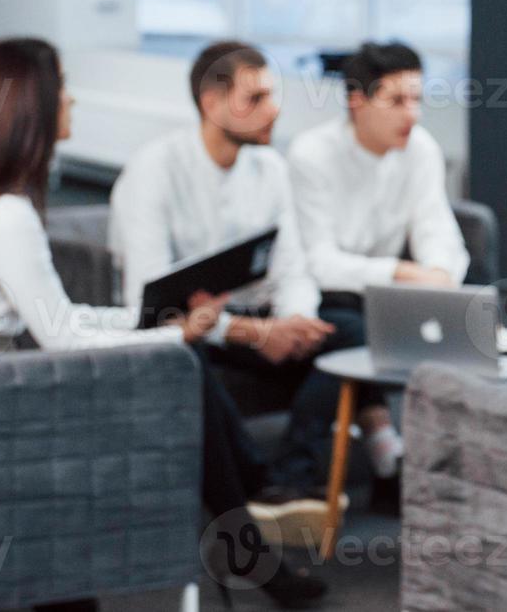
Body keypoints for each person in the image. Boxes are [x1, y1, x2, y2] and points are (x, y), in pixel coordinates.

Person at [0, 38, 326, 609]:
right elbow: (63, 337)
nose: (73, 101)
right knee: (180, 366)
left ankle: (244, 525)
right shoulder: (10, 214)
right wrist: (170, 334)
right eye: (64, 88)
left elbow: (57, 318)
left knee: (182, 359)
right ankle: (247, 524)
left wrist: (160, 324)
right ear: (35, 106)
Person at [109, 40, 376, 508]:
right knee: (188, 356)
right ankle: (257, 484)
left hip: (254, 316)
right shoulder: (155, 169)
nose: (272, 111)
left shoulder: (270, 167)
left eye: (272, 96)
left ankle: (291, 478)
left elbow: (293, 267)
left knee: (351, 328)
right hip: (180, 329)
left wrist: (293, 323)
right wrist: (254, 332)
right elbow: (148, 304)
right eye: (255, 99)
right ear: (211, 104)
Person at [286, 41, 470, 504]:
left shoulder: (420, 150)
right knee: (357, 331)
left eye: (417, 99)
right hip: (325, 292)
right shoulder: (312, 154)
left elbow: (437, 231)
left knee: (466, 314)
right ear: (357, 101)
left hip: (385, 292)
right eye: (396, 101)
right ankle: (302, 467)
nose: (412, 114)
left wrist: (440, 276)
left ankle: (414, 462)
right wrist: (406, 273)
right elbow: (318, 262)